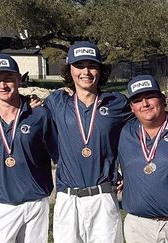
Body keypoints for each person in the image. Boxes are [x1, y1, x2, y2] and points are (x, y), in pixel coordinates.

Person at [46, 41, 129, 243]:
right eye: (79, 66)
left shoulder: (116, 103)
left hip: (103, 196)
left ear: (100, 70)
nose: (86, 72)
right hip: (68, 198)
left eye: (92, 66)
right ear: (70, 69)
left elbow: (146, 126)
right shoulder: (56, 102)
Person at [0, 54, 55, 242]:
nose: (2, 85)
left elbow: (58, 152)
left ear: (19, 78)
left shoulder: (39, 115)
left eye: (8, 78)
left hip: (35, 202)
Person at [119, 75, 168, 243]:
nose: (145, 104)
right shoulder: (124, 132)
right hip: (138, 227)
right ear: (131, 107)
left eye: (150, 97)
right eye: (138, 100)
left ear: (162, 99)